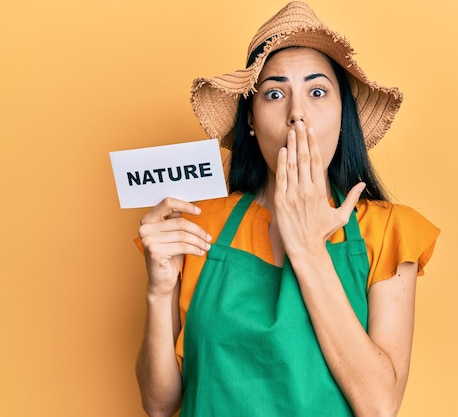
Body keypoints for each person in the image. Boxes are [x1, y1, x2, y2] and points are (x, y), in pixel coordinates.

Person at [135, 2, 440, 416]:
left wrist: (308, 247)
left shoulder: (389, 231)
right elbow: (159, 404)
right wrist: (159, 291)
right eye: (274, 94)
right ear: (251, 120)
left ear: (341, 114)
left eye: (317, 92)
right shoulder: (196, 226)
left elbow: (379, 406)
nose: (297, 115)